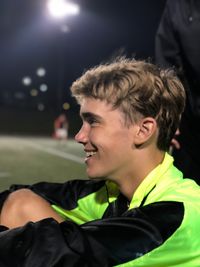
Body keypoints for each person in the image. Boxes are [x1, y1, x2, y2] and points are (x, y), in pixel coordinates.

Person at [1, 57, 200, 266]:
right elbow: (22, 198)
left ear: (143, 130)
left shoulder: (179, 213)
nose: (79, 136)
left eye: (93, 122)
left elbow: (61, 253)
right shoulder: (111, 193)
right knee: (20, 202)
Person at [155, 0, 200, 183]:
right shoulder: (178, 5)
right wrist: (169, 114)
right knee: (185, 191)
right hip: (191, 122)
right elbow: (168, 64)